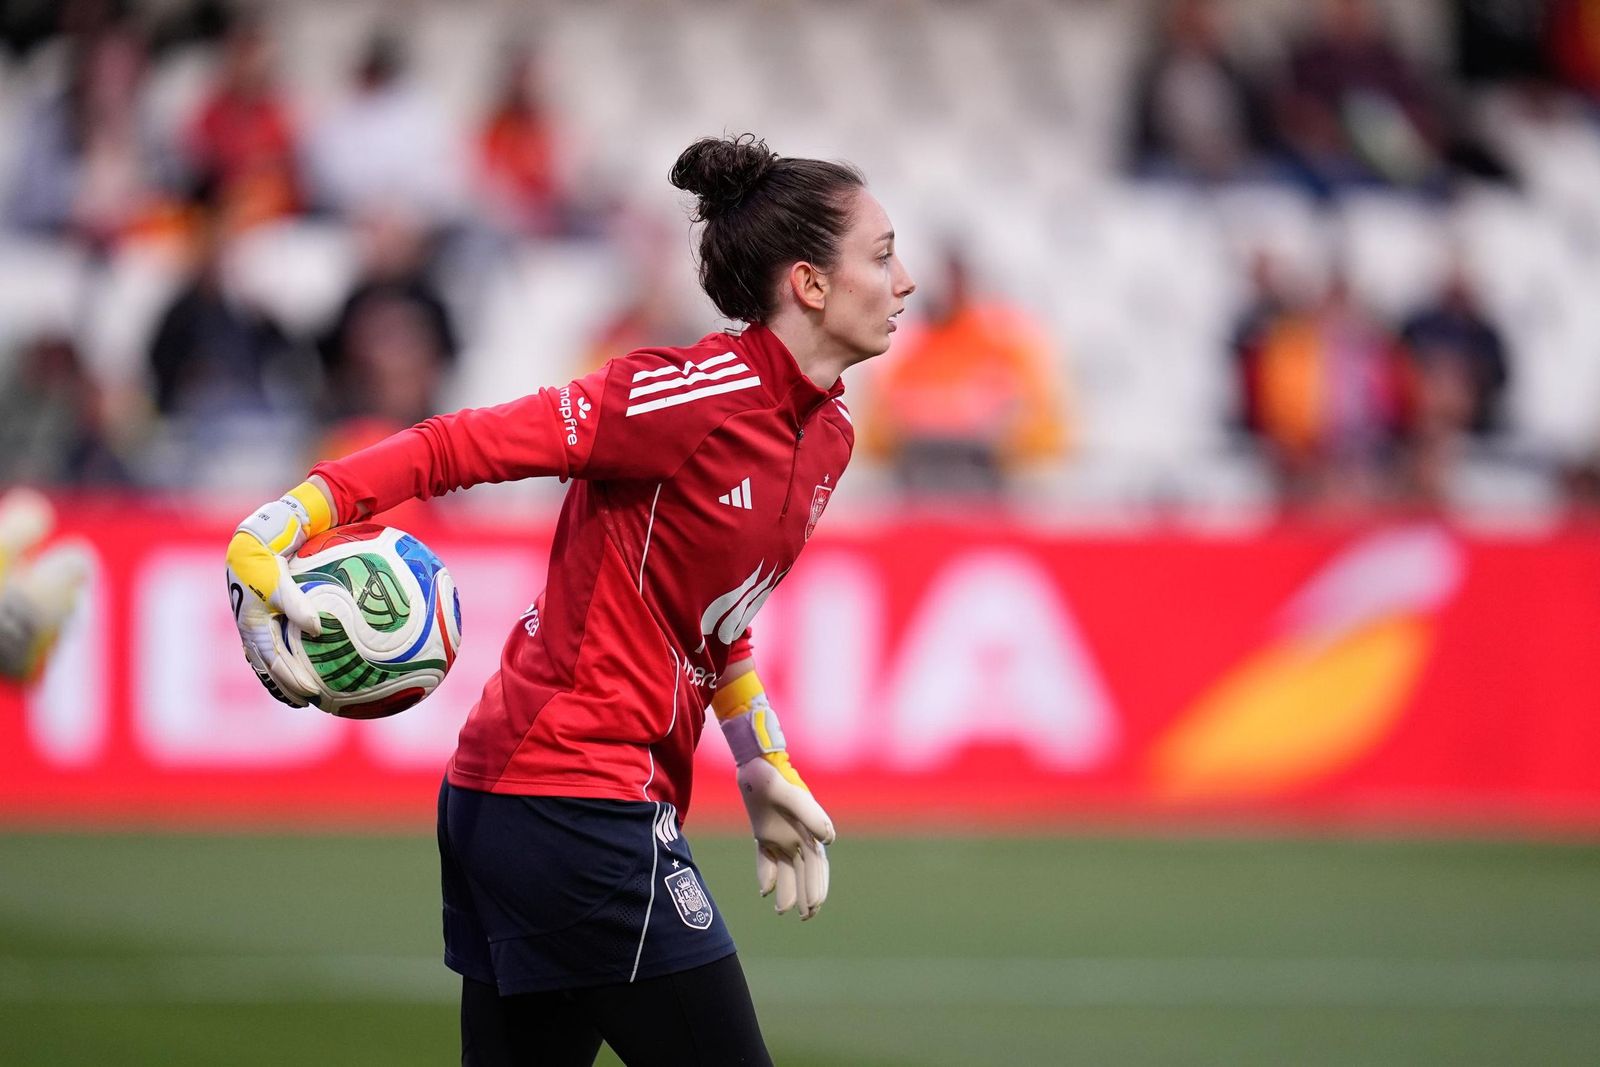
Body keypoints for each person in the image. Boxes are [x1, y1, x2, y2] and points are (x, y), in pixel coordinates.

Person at [224, 133, 916, 1065]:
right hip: (572, 800)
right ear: (811, 284)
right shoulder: (686, 395)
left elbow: (716, 616)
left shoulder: (827, 434)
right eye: (882, 254)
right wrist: (292, 515)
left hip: (537, 799)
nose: (905, 281)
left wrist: (759, 754)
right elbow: (457, 445)